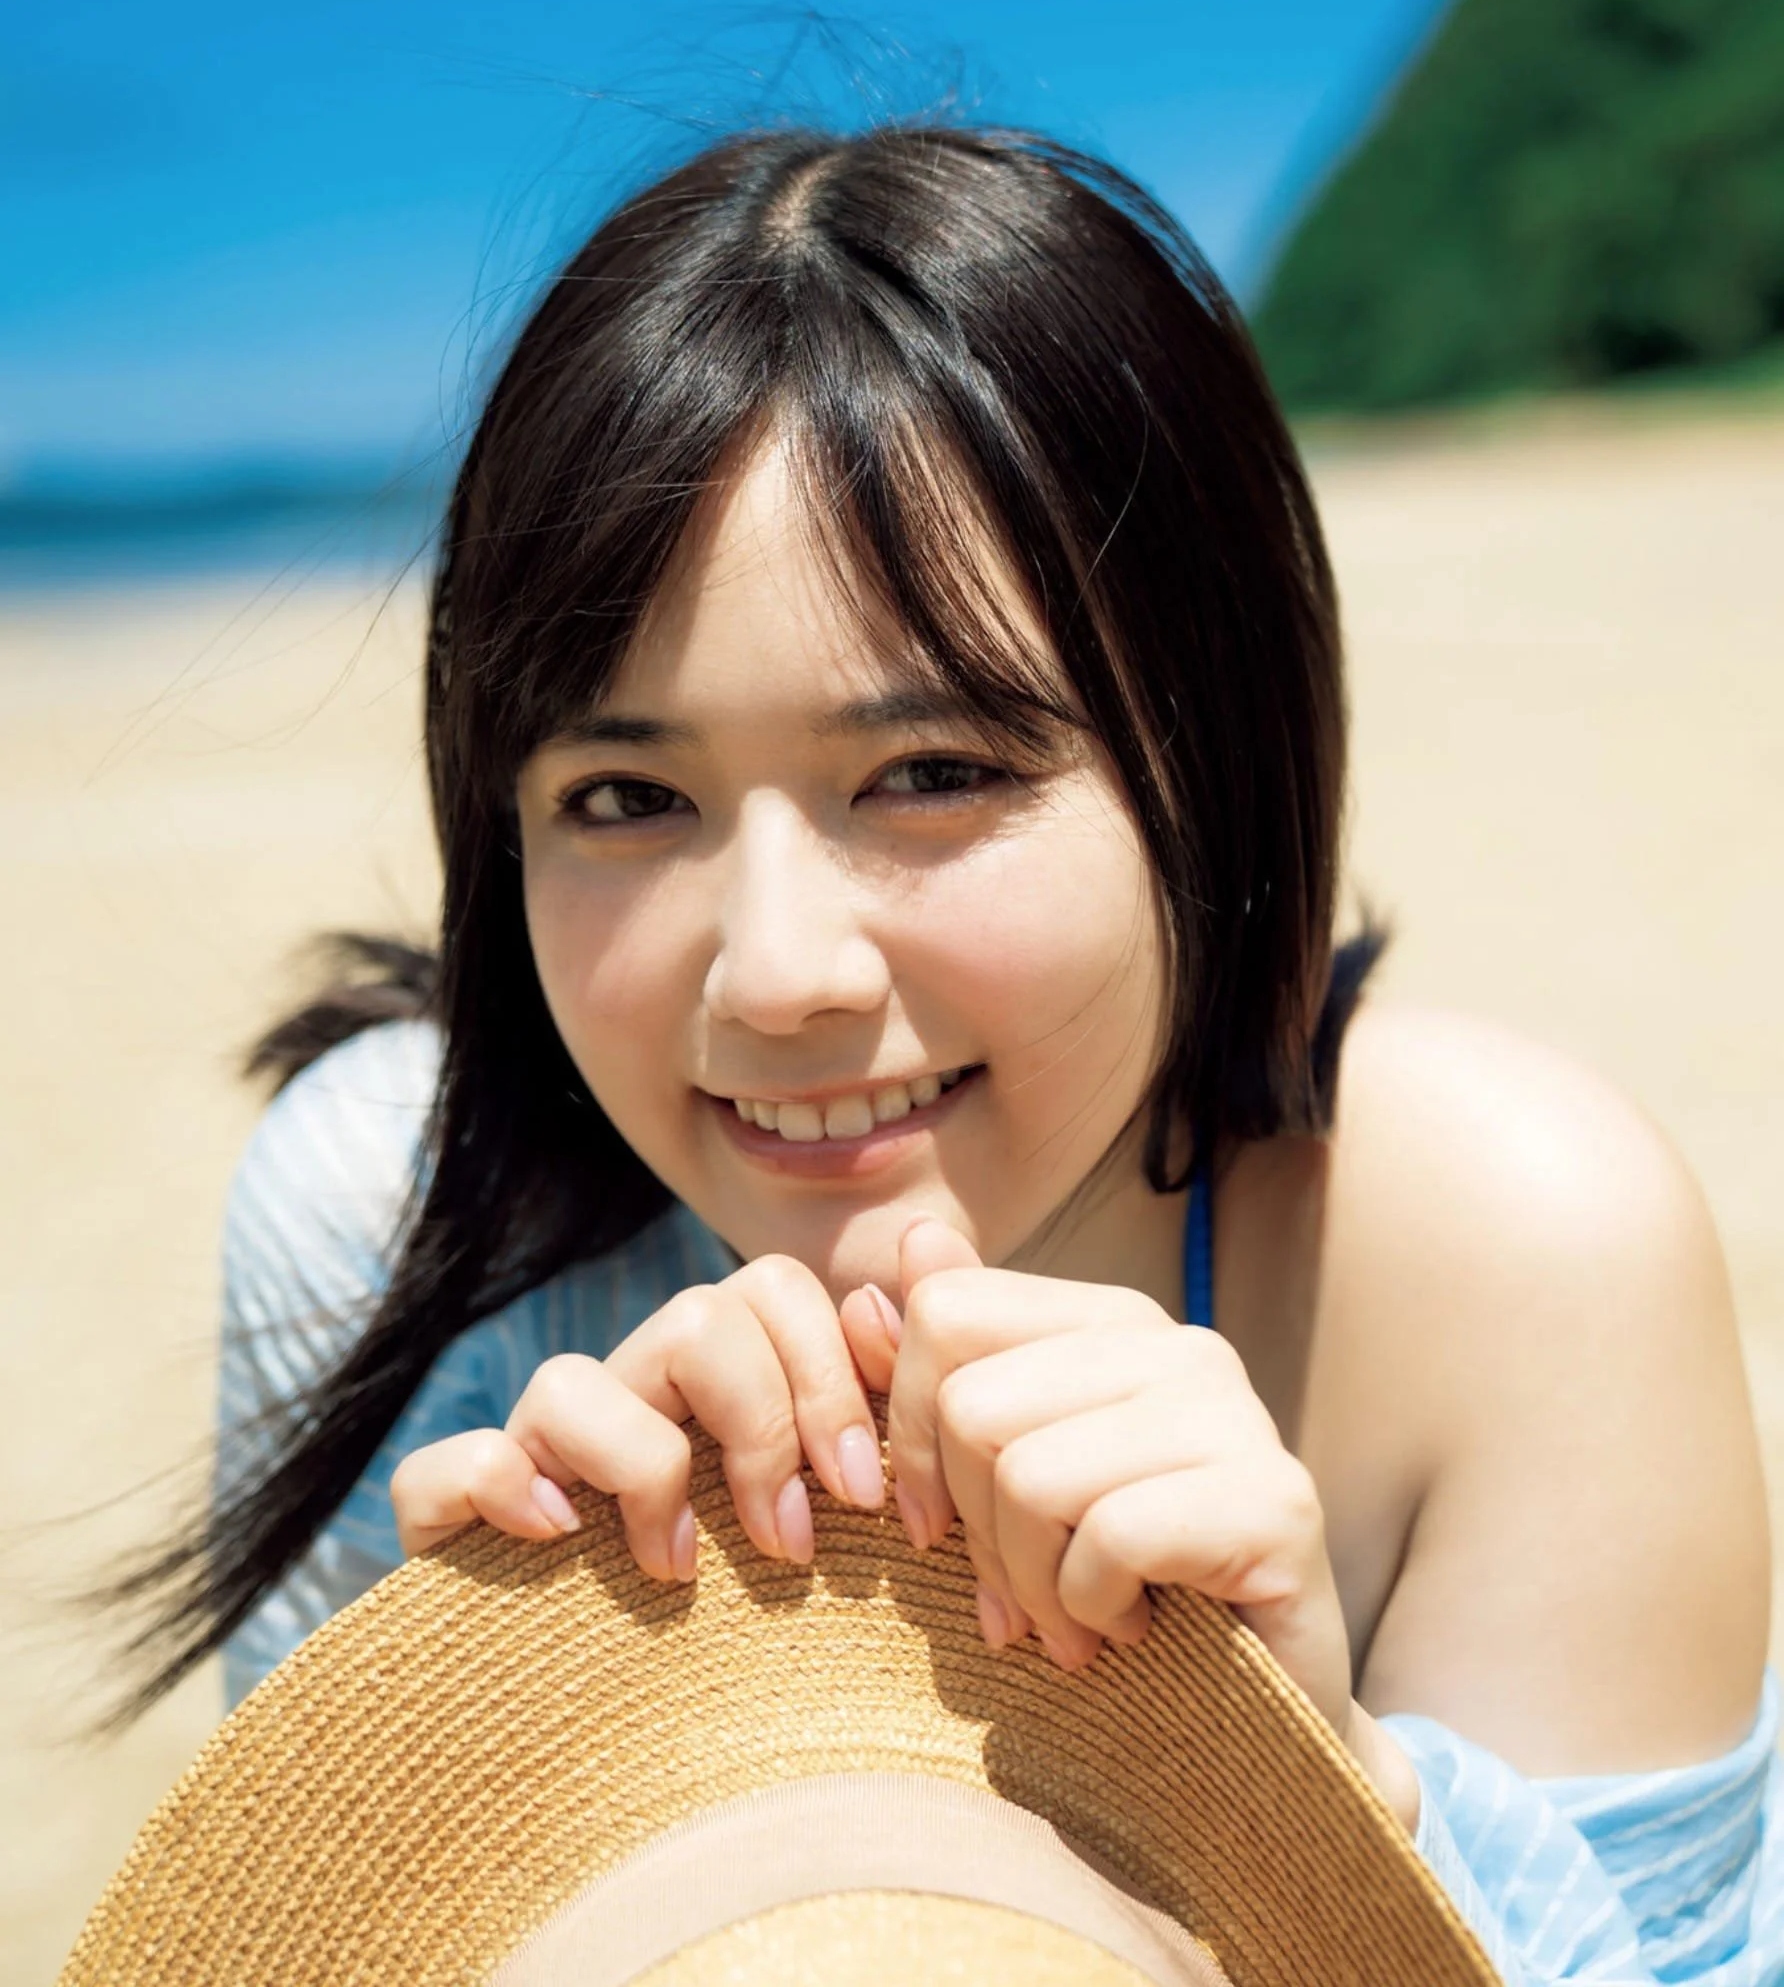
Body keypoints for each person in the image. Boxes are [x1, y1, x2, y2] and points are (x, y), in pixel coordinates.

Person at [113, 124, 1781, 1981]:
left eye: (932, 773)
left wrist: (1325, 1815)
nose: (776, 972)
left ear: (1210, 769)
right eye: (626, 793)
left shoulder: (1513, 1251)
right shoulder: (390, 1225)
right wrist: (469, 1791)